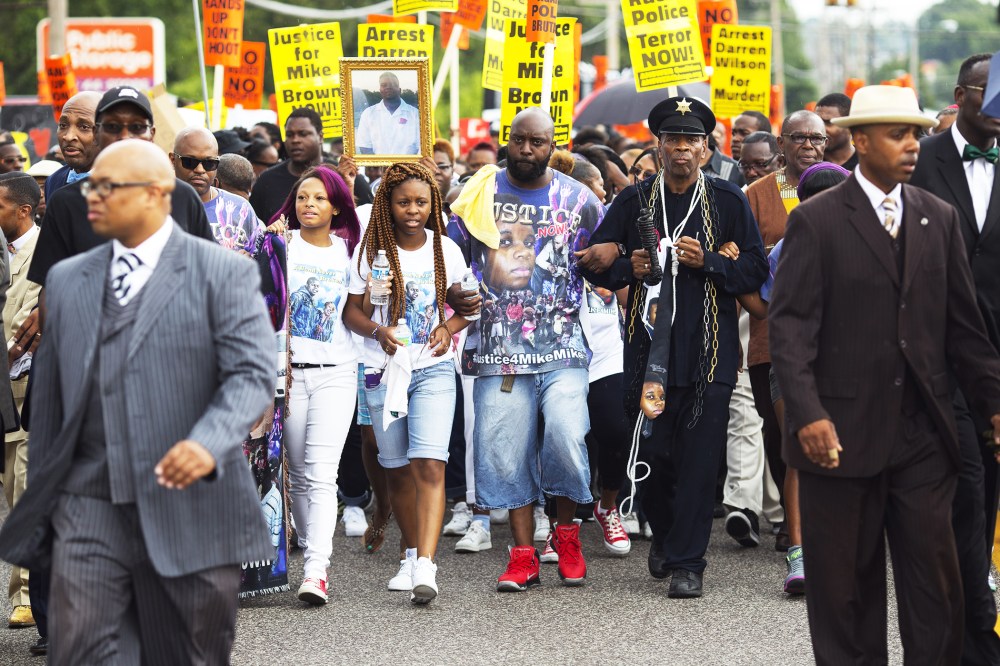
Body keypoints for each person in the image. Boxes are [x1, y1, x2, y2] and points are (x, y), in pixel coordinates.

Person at [0, 139, 274, 663]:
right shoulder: (68, 279)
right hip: (90, 506)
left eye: (107, 187)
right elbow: (56, 394)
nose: (91, 198)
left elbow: (249, 375)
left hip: (191, 506)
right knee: (84, 650)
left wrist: (207, 441)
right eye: (90, 186)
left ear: (154, 194)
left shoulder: (223, 273)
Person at [769, 84, 1000, 665]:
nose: (913, 145)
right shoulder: (816, 221)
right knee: (845, 593)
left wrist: (994, 404)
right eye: (898, 134)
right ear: (861, 140)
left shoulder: (937, 218)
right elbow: (791, 330)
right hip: (837, 439)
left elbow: (965, 331)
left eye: (917, 133)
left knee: (936, 588)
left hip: (924, 437)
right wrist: (808, 415)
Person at [579, 96, 768, 598]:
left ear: (706, 150)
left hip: (709, 354)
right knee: (654, 453)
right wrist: (628, 267)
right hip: (647, 355)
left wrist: (711, 261)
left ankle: (689, 563)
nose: (682, 149)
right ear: (658, 148)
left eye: (692, 142)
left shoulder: (729, 200)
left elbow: (755, 270)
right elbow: (592, 263)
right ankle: (663, 534)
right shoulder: (634, 200)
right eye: (672, 141)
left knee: (700, 458)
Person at [450, 107, 605, 592]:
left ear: (552, 145)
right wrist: (454, 292)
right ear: (507, 139)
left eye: (537, 142)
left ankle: (566, 536)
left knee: (565, 434)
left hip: (561, 346)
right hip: (499, 350)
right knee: (504, 450)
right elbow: (450, 257)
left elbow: (602, 259)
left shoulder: (580, 201)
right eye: (519, 140)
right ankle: (522, 556)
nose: (525, 150)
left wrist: (615, 262)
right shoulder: (479, 193)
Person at [909, 52, 1000, 666]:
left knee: (986, 496)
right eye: (986, 94)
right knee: (966, 491)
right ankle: (973, 633)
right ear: (962, 95)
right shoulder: (922, 160)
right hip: (941, 361)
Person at [344, 162, 471, 604]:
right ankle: (410, 553)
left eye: (421, 202)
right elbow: (353, 312)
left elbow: (469, 305)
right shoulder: (370, 251)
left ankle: (426, 567)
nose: (413, 210)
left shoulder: (447, 250)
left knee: (430, 463)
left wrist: (448, 327)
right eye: (403, 202)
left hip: (433, 368)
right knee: (395, 466)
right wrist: (379, 332)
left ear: (433, 203)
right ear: (387, 205)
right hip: (383, 371)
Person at [736, 161, 851, 594]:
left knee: (847, 458)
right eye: (813, 200)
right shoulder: (784, 249)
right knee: (800, 455)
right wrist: (734, 279)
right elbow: (764, 306)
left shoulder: (872, 243)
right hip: (795, 367)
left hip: (850, 370)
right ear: (800, 205)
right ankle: (799, 556)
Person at [264, 165, 361, 605]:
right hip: (288, 375)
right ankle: (310, 553)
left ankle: (316, 569)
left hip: (336, 374)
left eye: (319, 198)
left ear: (337, 205)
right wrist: (266, 245)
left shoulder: (351, 252)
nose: (309, 205)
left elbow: (360, 311)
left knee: (322, 475)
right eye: (303, 197)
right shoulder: (279, 245)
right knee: (299, 475)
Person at [29, 86, 215, 290]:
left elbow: (209, 272)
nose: (125, 136)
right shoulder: (64, 201)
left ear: (151, 134)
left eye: (136, 127)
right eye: (113, 127)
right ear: (98, 134)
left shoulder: (182, 196)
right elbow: (50, 287)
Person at [742, 110, 826, 552]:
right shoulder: (757, 194)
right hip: (771, 332)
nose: (808, 145)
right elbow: (745, 260)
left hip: (833, 339)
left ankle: (813, 523)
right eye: (799, 137)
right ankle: (792, 525)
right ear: (781, 142)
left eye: (817, 138)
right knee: (777, 433)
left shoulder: (842, 185)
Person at [0, 173, 41, 631]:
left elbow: (23, 332)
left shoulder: (43, 253)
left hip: (27, 395)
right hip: (0, 395)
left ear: (23, 211)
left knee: (26, 493)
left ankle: (28, 596)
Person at [170, 128, 264, 255]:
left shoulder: (241, 208)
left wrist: (248, 261)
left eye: (209, 163)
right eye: (190, 162)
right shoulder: (156, 208)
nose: (200, 169)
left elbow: (262, 259)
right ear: (173, 160)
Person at [250, 108, 324, 225]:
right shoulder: (266, 181)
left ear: (320, 137)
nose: (295, 140)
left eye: (303, 134)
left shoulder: (340, 176)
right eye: (289, 135)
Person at [46, 91, 102, 197]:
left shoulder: (124, 183)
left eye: (84, 127)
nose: (68, 136)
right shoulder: (53, 181)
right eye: (63, 125)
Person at [355, 72, 420, 155]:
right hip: (378, 167)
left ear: (399, 90)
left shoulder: (415, 114)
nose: (388, 87)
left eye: (393, 84)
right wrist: (379, 165)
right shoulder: (368, 114)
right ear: (380, 90)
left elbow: (420, 147)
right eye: (384, 85)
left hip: (408, 167)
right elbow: (365, 147)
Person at [814, 93, 858, 170]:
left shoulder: (865, 165)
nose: (819, 129)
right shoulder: (807, 163)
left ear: (850, 126)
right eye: (817, 122)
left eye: (828, 123)